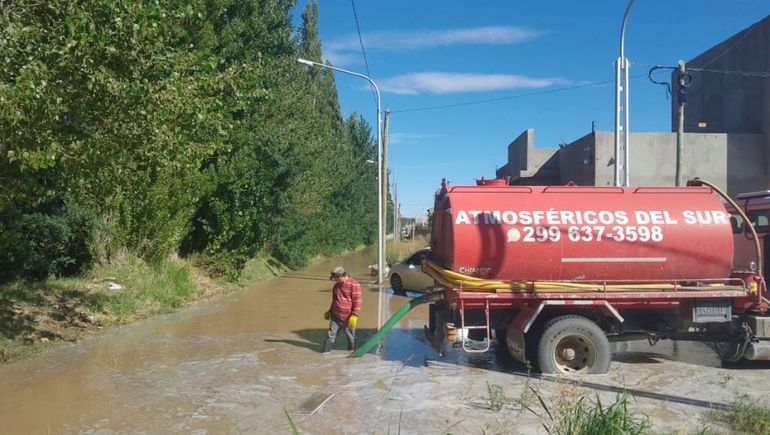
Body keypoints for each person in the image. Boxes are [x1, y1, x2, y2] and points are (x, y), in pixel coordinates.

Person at [322, 266, 362, 352]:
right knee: (330, 334)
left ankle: (352, 354)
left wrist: (355, 314)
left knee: (350, 336)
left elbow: (357, 300)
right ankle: (324, 354)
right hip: (335, 316)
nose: (335, 280)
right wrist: (329, 311)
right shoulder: (336, 286)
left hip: (349, 317)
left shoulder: (354, 284)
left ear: (340, 276)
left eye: (335, 278)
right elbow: (334, 300)